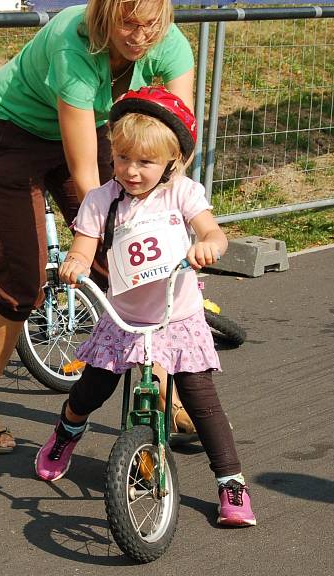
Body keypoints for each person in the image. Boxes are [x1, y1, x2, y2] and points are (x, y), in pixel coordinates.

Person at [0, 0, 197, 454]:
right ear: (105, 13)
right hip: (11, 135)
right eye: (128, 22)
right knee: (19, 281)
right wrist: (114, 224)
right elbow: (88, 177)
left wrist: (162, 218)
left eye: (151, 24)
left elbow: (176, 144)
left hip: (86, 129)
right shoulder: (75, 43)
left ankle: (167, 395)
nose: (141, 35)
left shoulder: (171, 46)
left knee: (134, 268)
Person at [34, 87, 256, 527]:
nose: (131, 171)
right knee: (92, 389)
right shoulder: (102, 200)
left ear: (171, 163)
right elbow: (83, 246)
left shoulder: (182, 194)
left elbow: (213, 233)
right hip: (124, 319)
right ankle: (66, 432)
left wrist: (210, 245)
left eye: (145, 163)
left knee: (201, 399)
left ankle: (231, 482)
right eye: (121, 159)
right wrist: (75, 264)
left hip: (178, 316)